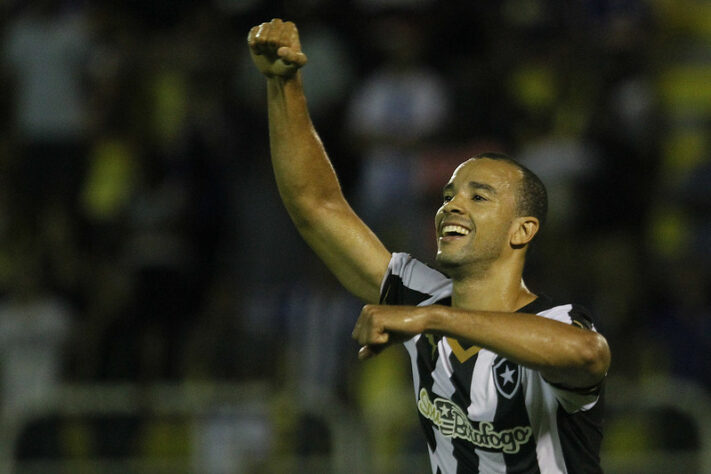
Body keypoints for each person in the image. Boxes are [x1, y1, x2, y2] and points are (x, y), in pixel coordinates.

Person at [247, 18, 611, 473]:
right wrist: (284, 85)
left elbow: (587, 354)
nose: (452, 206)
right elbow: (316, 206)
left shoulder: (552, 322)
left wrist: (434, 318)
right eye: (447, 196)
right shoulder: (418, 296)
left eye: (478, 197)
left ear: (523, 230)